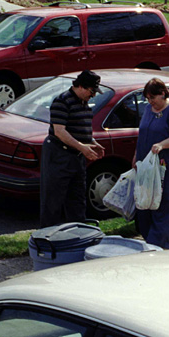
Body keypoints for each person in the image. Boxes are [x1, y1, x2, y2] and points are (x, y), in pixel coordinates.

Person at [40, 70, 105, 227]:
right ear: (81, 86)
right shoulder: (62, 102)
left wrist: (92, 142)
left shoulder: (84, 104)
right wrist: (82, 147)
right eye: (91, 91)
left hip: (76, 157)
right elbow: (60, 132)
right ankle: (49, 238)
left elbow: (80, 130)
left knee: (77, 200)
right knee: (53, 200)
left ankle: (77, 235)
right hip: (59, 154)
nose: (93, 95)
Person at [133, 78, 169, 249]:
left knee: (165, 204)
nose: (151, 102)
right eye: (148, 98)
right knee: (146, 204)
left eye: (153, 98)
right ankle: (151, 241)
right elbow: (143, 134)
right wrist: (136, 156)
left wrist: (162, 144)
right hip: (149, 167)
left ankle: (162, 245)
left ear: (163, 93)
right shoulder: (148, 109)